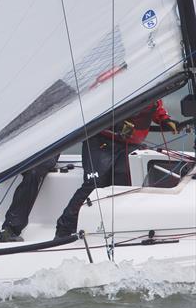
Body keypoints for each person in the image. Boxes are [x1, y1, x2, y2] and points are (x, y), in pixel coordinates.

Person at [54, 99, 177, 239]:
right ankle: (64, 230)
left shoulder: (151, 83)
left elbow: (153, 102)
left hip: (129, 143)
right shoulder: (108, 78)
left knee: (122, 184)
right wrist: (117, 124)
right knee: (94, 184)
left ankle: (115, 230)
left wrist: (164, 120)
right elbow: (95, 103)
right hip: (100, 140)